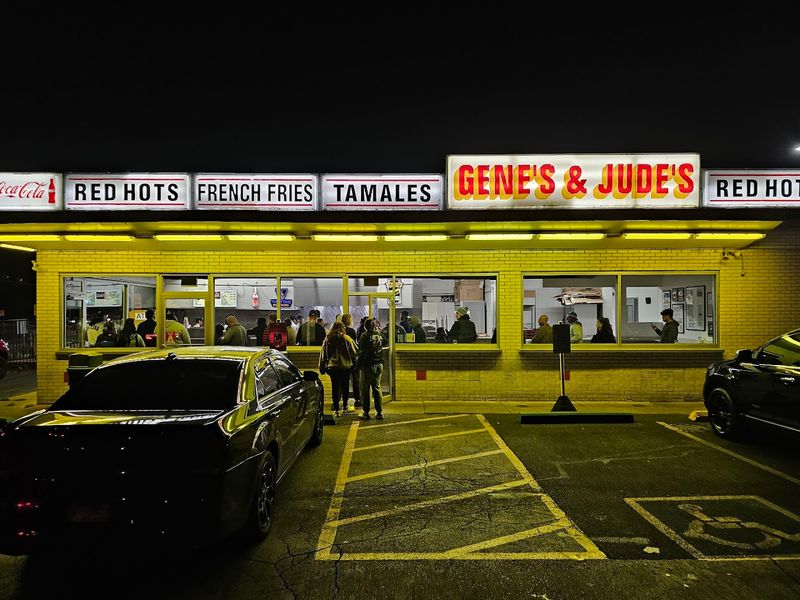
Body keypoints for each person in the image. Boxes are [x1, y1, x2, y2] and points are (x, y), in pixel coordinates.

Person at [319, 321, 358, 417]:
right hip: (345, 367)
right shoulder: (346, 338)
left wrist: (321, 366)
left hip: (333, 367)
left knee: (335, 387)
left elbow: (323, 353)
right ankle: (345, 407)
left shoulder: (328, 338)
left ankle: (336, 409)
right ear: (343, 328)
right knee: (345, 387)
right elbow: (355, 352)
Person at [357, 318, 385, 420]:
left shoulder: (364, 335)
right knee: (377, 388)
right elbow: (385, 341)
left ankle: (366, 412)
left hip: (368, 365)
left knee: (365, 389)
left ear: (365, 326)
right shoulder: (379, 334)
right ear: (374, 326)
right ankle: (379, 412)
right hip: (379, 364)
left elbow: (362, 352)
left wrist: (358, 365)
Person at [341, 314, 360, 407]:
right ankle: (357, 399)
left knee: (343, 381)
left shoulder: (340, 331)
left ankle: (343, 400)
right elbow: (354, 344)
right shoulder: (351, 331)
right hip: (351, 359)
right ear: (349, 321)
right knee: (355, 380)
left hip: (343, 359)